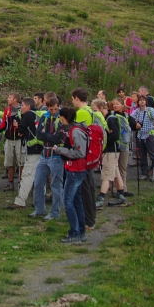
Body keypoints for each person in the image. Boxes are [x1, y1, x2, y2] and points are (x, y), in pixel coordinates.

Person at [53, 107, 88, 244]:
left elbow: (80, 152)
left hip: (76, 170)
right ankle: (80, 231)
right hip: (73, 169)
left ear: (64, 117)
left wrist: (60, 150)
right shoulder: (73, 129)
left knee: (68, 202)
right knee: (77, 201)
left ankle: (75, 233)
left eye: (60, 117)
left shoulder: (75, 131)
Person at [31, 97, 65, 221]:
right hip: (44, 153)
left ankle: (55, 212)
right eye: (51, 109)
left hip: (56, 155)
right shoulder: (44, 117)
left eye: (56, 109)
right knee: (38, 182)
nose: (54, 111)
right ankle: (39, 209)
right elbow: (38, 134)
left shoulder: (61, 119)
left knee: (56, 184)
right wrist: (49, 136)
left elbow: (58, 138)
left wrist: (46, 135)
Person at [9, 98, 40, 210]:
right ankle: (39, 201)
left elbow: (20, 131)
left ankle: (20, 201)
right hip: (42, 148)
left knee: (27, 174)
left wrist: (18, 127)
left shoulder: (27, 115)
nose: (21, 107)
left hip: (33, 149)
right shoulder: (37, 115)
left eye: (22, 105)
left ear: (28, 106)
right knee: (39, 175)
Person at [72, 88, 95, 230]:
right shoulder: (91, 110)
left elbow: (76, 133)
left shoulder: (81, 113)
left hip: (83, 153)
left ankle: (88, 220)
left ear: (76, 98)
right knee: (90, 187)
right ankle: (91, 216)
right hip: (91, 152)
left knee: (84, 188)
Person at [96, 101, 127, 208]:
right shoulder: (107, 119)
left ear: (101, 108)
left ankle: (101, 199)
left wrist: (102, 141)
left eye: (95, 110)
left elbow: (115, 135)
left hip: (111, 151)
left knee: (106, 174)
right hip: (111, 151)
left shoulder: (111, 119)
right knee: (115, 172)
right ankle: (121, 195)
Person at [0, 93, 24, 192]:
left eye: (10, 97)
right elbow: (4, 123)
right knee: (9, 162)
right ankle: (10, 183)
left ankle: (21, 183)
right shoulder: (7, 110)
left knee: (21, 162)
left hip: (19, 139)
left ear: (15, 99)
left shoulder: (22, 109)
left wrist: (19, 126)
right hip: (9, 139)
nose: (8, 99)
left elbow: (25, 124)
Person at [131, 96, 154, 180]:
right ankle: (144, 173)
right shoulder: (136, 111)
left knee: (153, 155)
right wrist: (135, 123)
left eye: (143, 100)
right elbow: (130, 118)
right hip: (140, 136)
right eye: (140, 100)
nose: (142, 102)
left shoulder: (150, 110)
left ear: (146, 102)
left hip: (149, 135)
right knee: (142, 155)